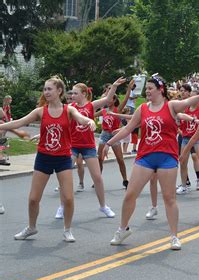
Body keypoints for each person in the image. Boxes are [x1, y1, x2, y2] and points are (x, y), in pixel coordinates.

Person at [103, 74, 199, 249]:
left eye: (150, 88)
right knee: (130, 194)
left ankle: (174, 236)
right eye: (146, 88)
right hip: (145, 157)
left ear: (160, 90)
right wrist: (109, 143)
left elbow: (187, 102)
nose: (147, 91)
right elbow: (128, 128)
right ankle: (122, 229)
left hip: (167, 157)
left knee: (169, 198)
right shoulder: (142, 109)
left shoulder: (170, 106)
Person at [0, 76, 96, 242]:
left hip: (63, 158)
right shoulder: (40, 111)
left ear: (59, 91)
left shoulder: (68, 110)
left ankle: (67, 229)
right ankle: (31, 227)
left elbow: (80, 117)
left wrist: (88, 121)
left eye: (49, 89)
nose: (46, 92)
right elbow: (18, 123)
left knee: (68, 197)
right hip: (44, 157)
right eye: (45, 89)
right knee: (33, 199)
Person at [54, 78, 126, 219]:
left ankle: (103, 206)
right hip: (73, 146)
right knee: (65, 177)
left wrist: (115, 86)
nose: (72, 96)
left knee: (97, 177)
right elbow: (58, 121)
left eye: (75, 93)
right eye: (72, 93)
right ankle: (62, 207)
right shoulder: (71, 108)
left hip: (88, 147)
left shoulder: (91, 106)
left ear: (84, 94)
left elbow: (108, 99)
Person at [176, 85, 199, 194]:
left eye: (196, 97)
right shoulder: (185, 108)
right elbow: (178, 117)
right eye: (192, 97)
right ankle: (184, 185)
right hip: (185, 137)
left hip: (198, 138)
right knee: (182, 161)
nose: (193, 99)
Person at [95, 91, 129, 189]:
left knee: (120, 159)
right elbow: (92, 114)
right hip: (104, 134)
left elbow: (126, 100)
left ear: (114, 100)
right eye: (107, 99)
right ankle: (98, 180)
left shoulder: (117, 109)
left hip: (114, 136)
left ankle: (125, 180)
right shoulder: (104, 111)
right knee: (100, 159)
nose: (108, 101)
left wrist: (129, 89)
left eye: (110, 99)